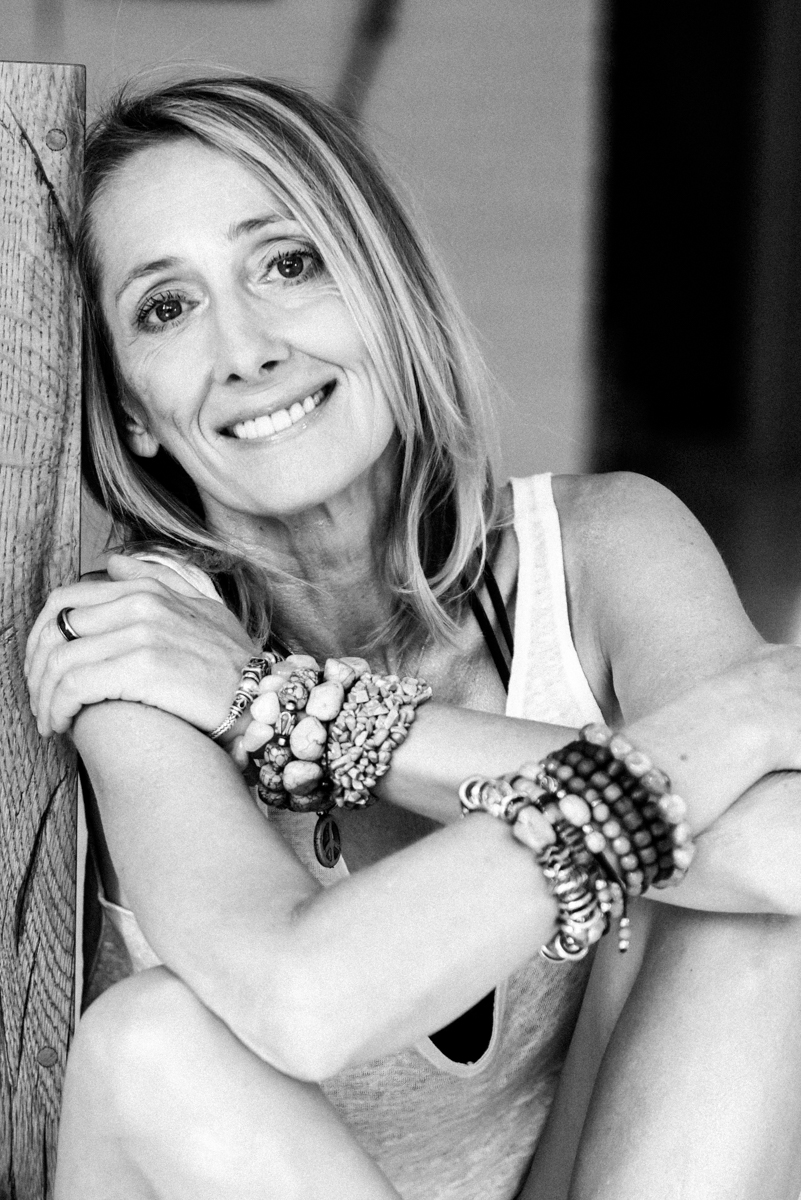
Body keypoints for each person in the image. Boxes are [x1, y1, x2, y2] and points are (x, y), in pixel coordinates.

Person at [23, 74, 801, 1200]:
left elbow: (786, 853)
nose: (246, 350)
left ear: (383, 292)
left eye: (289, 263)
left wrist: (305, 714)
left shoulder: (599, 550)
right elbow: (302, 1002)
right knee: (151, 1049)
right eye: (167, 308)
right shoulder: (138, 643)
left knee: (756, 924)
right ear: (133, 410)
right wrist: (731, 722)